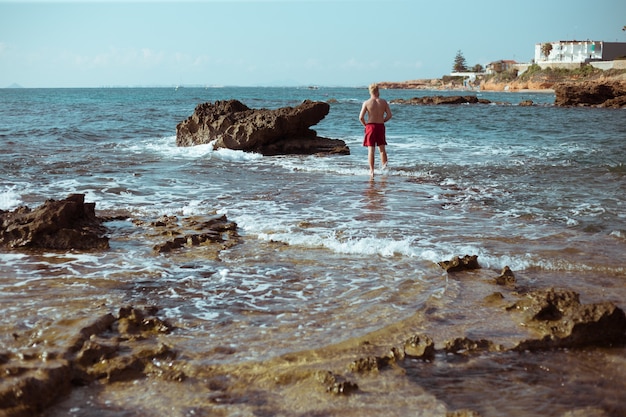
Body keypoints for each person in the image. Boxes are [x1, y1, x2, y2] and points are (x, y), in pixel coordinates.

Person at [359, 83, 392, 177]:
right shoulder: (384, 102)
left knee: (371, 150)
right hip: (380, 126)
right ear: (378, 91)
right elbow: (389, 115)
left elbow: (361, 117)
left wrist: (366, 125)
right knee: (382, 150)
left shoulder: (366, 103)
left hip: (370, 126)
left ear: (370, 91)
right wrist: (383, 120)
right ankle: (385, 169)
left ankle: (371, 171)